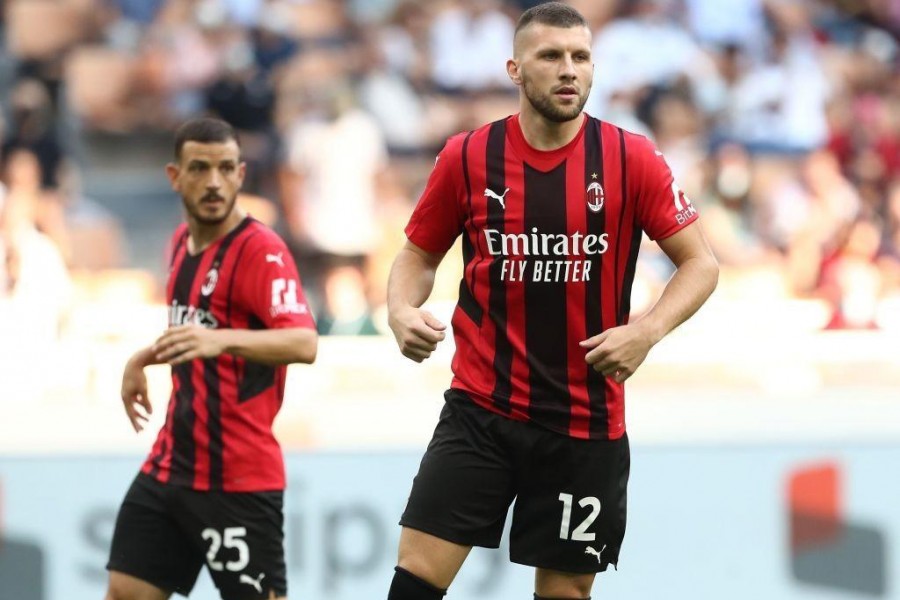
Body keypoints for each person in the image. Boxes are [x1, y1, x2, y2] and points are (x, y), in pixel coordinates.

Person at [385, 4, 718, 600]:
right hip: (481, 409)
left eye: (581, 57)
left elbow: (701, 264)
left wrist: (646, 331)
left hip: (585, 422)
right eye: (551, 56)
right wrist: (401, 311)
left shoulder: (630, 157)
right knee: (415, 579)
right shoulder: (467, 156)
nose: (569, 70)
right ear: (515, 69)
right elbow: (416, 258)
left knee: (564, 595)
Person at [105, 117, 317, 600]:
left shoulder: (262, 253)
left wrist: (221, 340)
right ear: (174, 176)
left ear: (242, 174)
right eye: (199, 168)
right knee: (125, 592)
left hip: (238, 481)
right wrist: (143, 358)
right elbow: (194, 332)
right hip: (171, 465)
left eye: (225, 168)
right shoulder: (180, 244)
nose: (214, 182)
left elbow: (303, 342)